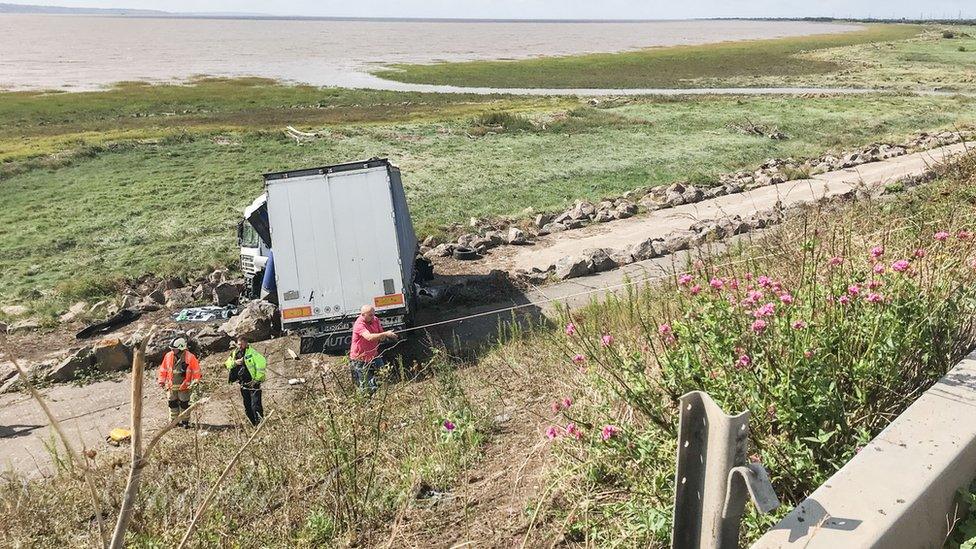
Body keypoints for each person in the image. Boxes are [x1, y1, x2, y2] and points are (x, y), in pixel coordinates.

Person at [349, 304, 397, 394]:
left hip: (374, 355)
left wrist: (386, 335)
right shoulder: (359, 324)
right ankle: (367, 399)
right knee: (365, 387)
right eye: (370, 315)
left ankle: (373, 387)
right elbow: (369, 337)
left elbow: (381, 336)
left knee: (385, 373)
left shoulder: (375, 319)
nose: (373, 317)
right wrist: (386, 334)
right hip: (360, 358)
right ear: (363, 315)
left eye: (373, 314)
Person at [157, 337, 201, 428]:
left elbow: (196, 370)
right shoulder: (168, 356)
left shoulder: (190, 357)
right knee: (172, 404)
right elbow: (163, 369)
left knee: (184, 405)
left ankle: (185, 422)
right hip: (171, 386)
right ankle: (174, 422)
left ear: (181, 348)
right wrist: (161, 381)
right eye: (172, 348)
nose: (172, 350)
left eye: (174, 348)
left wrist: (196, 380)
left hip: (184, 387)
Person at [225, 336, 267, 426]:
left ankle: (260, 423)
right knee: (247, 406)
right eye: (238, 344)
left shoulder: (252, 353)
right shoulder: (234, 353)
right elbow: (227, 364)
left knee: (255, 405)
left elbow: (262, 364)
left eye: (241, 344)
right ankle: (253, 424)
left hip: (253, 383)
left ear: (246, 343)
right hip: (243, 384)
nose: (240, 346)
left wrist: (256, 380)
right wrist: (235, 363)